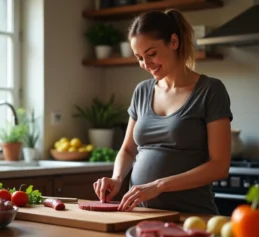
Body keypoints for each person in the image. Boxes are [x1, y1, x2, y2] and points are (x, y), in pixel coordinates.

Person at [93, 9, 233, 214]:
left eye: (151, 54)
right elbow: (128, 150)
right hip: (140, 215)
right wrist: (117, 178)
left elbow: (219, 166)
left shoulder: (210, 91)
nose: (146, 64)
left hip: (191, 216)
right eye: (139, 57)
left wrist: (158, 186)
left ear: (174, 42)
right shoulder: (142, 91)